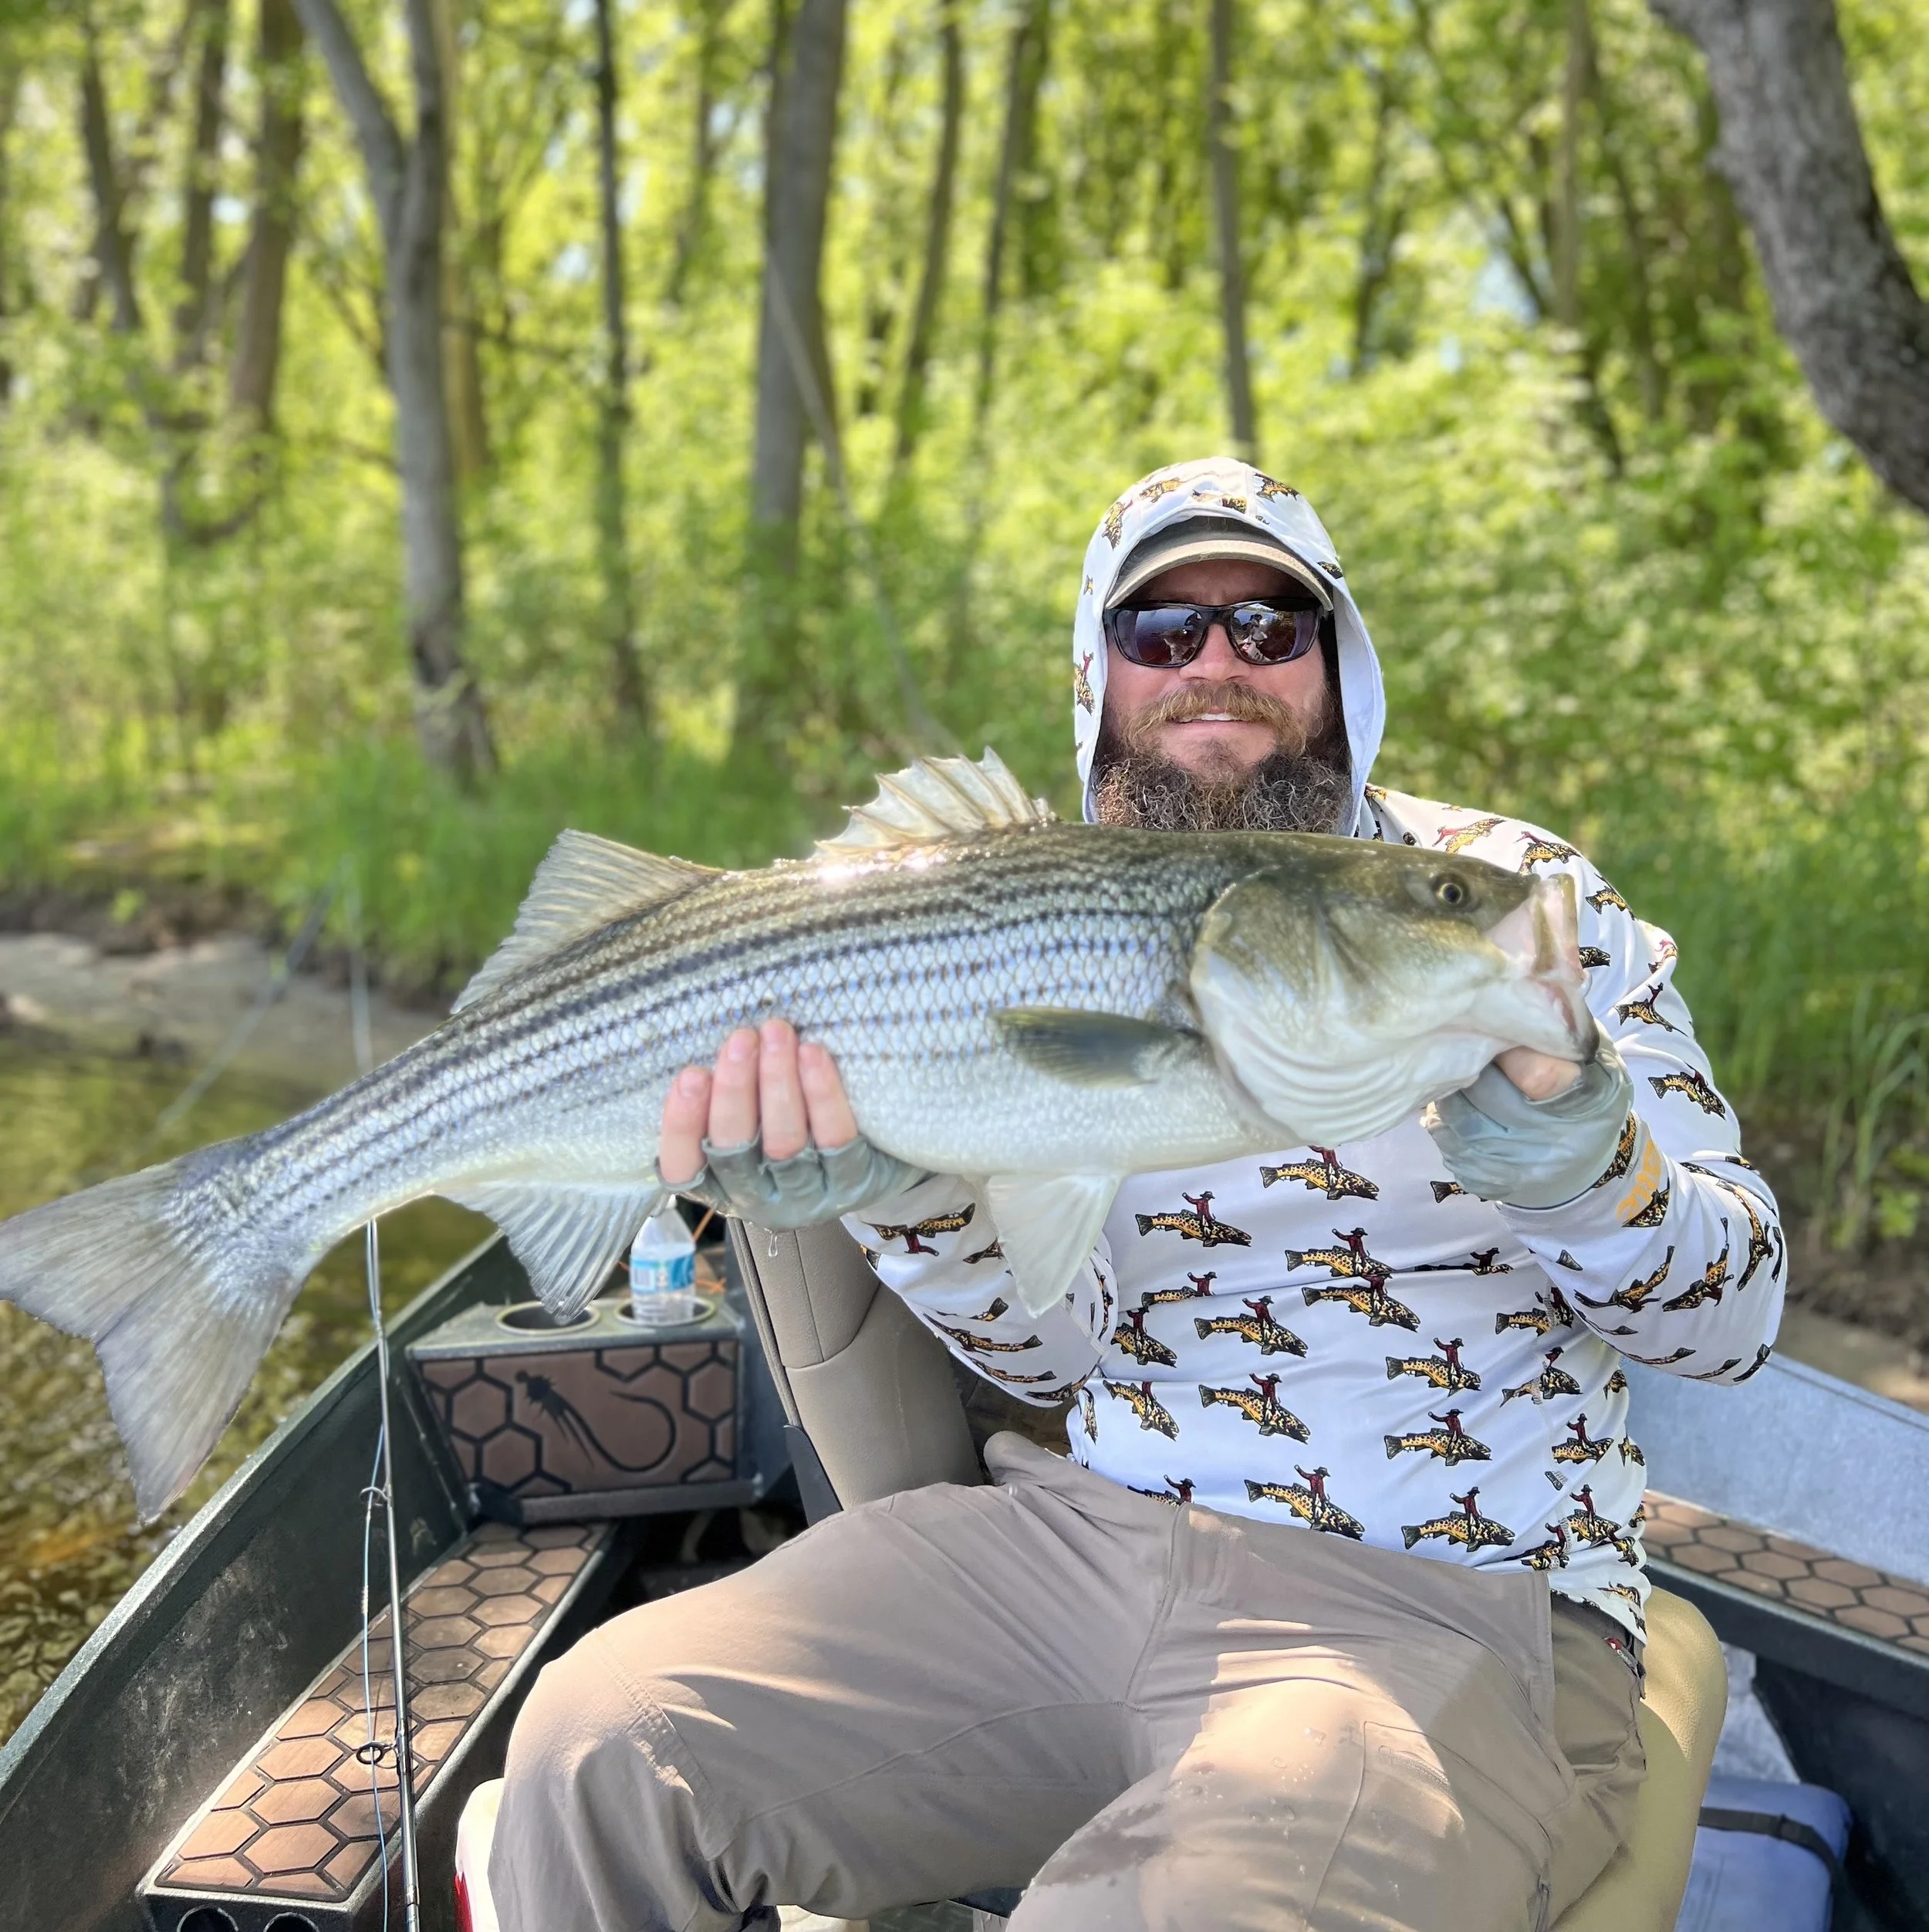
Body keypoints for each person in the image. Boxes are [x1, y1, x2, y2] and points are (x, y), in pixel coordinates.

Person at [491, 455, 1784, 1931]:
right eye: (1162, 631)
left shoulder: (1514, 896)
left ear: (1339, 661)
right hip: (1085, 1539)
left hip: (1448, 1598)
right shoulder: (1024, 908)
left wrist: (1584, 1167)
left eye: (1270, 625)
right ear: (1097, 674)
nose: (1215, 665)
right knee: (602, 1746)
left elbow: (1733, 1327)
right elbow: (1055, 1356)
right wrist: (902, 1201)